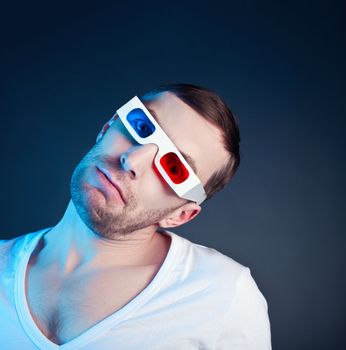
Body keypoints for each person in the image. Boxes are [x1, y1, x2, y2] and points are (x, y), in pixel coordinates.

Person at [0, 83, 271, 349]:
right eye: (141, 127)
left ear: (181, 214)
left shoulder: (223, 295)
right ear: (107, 127)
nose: (132, 159)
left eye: (174, 168)